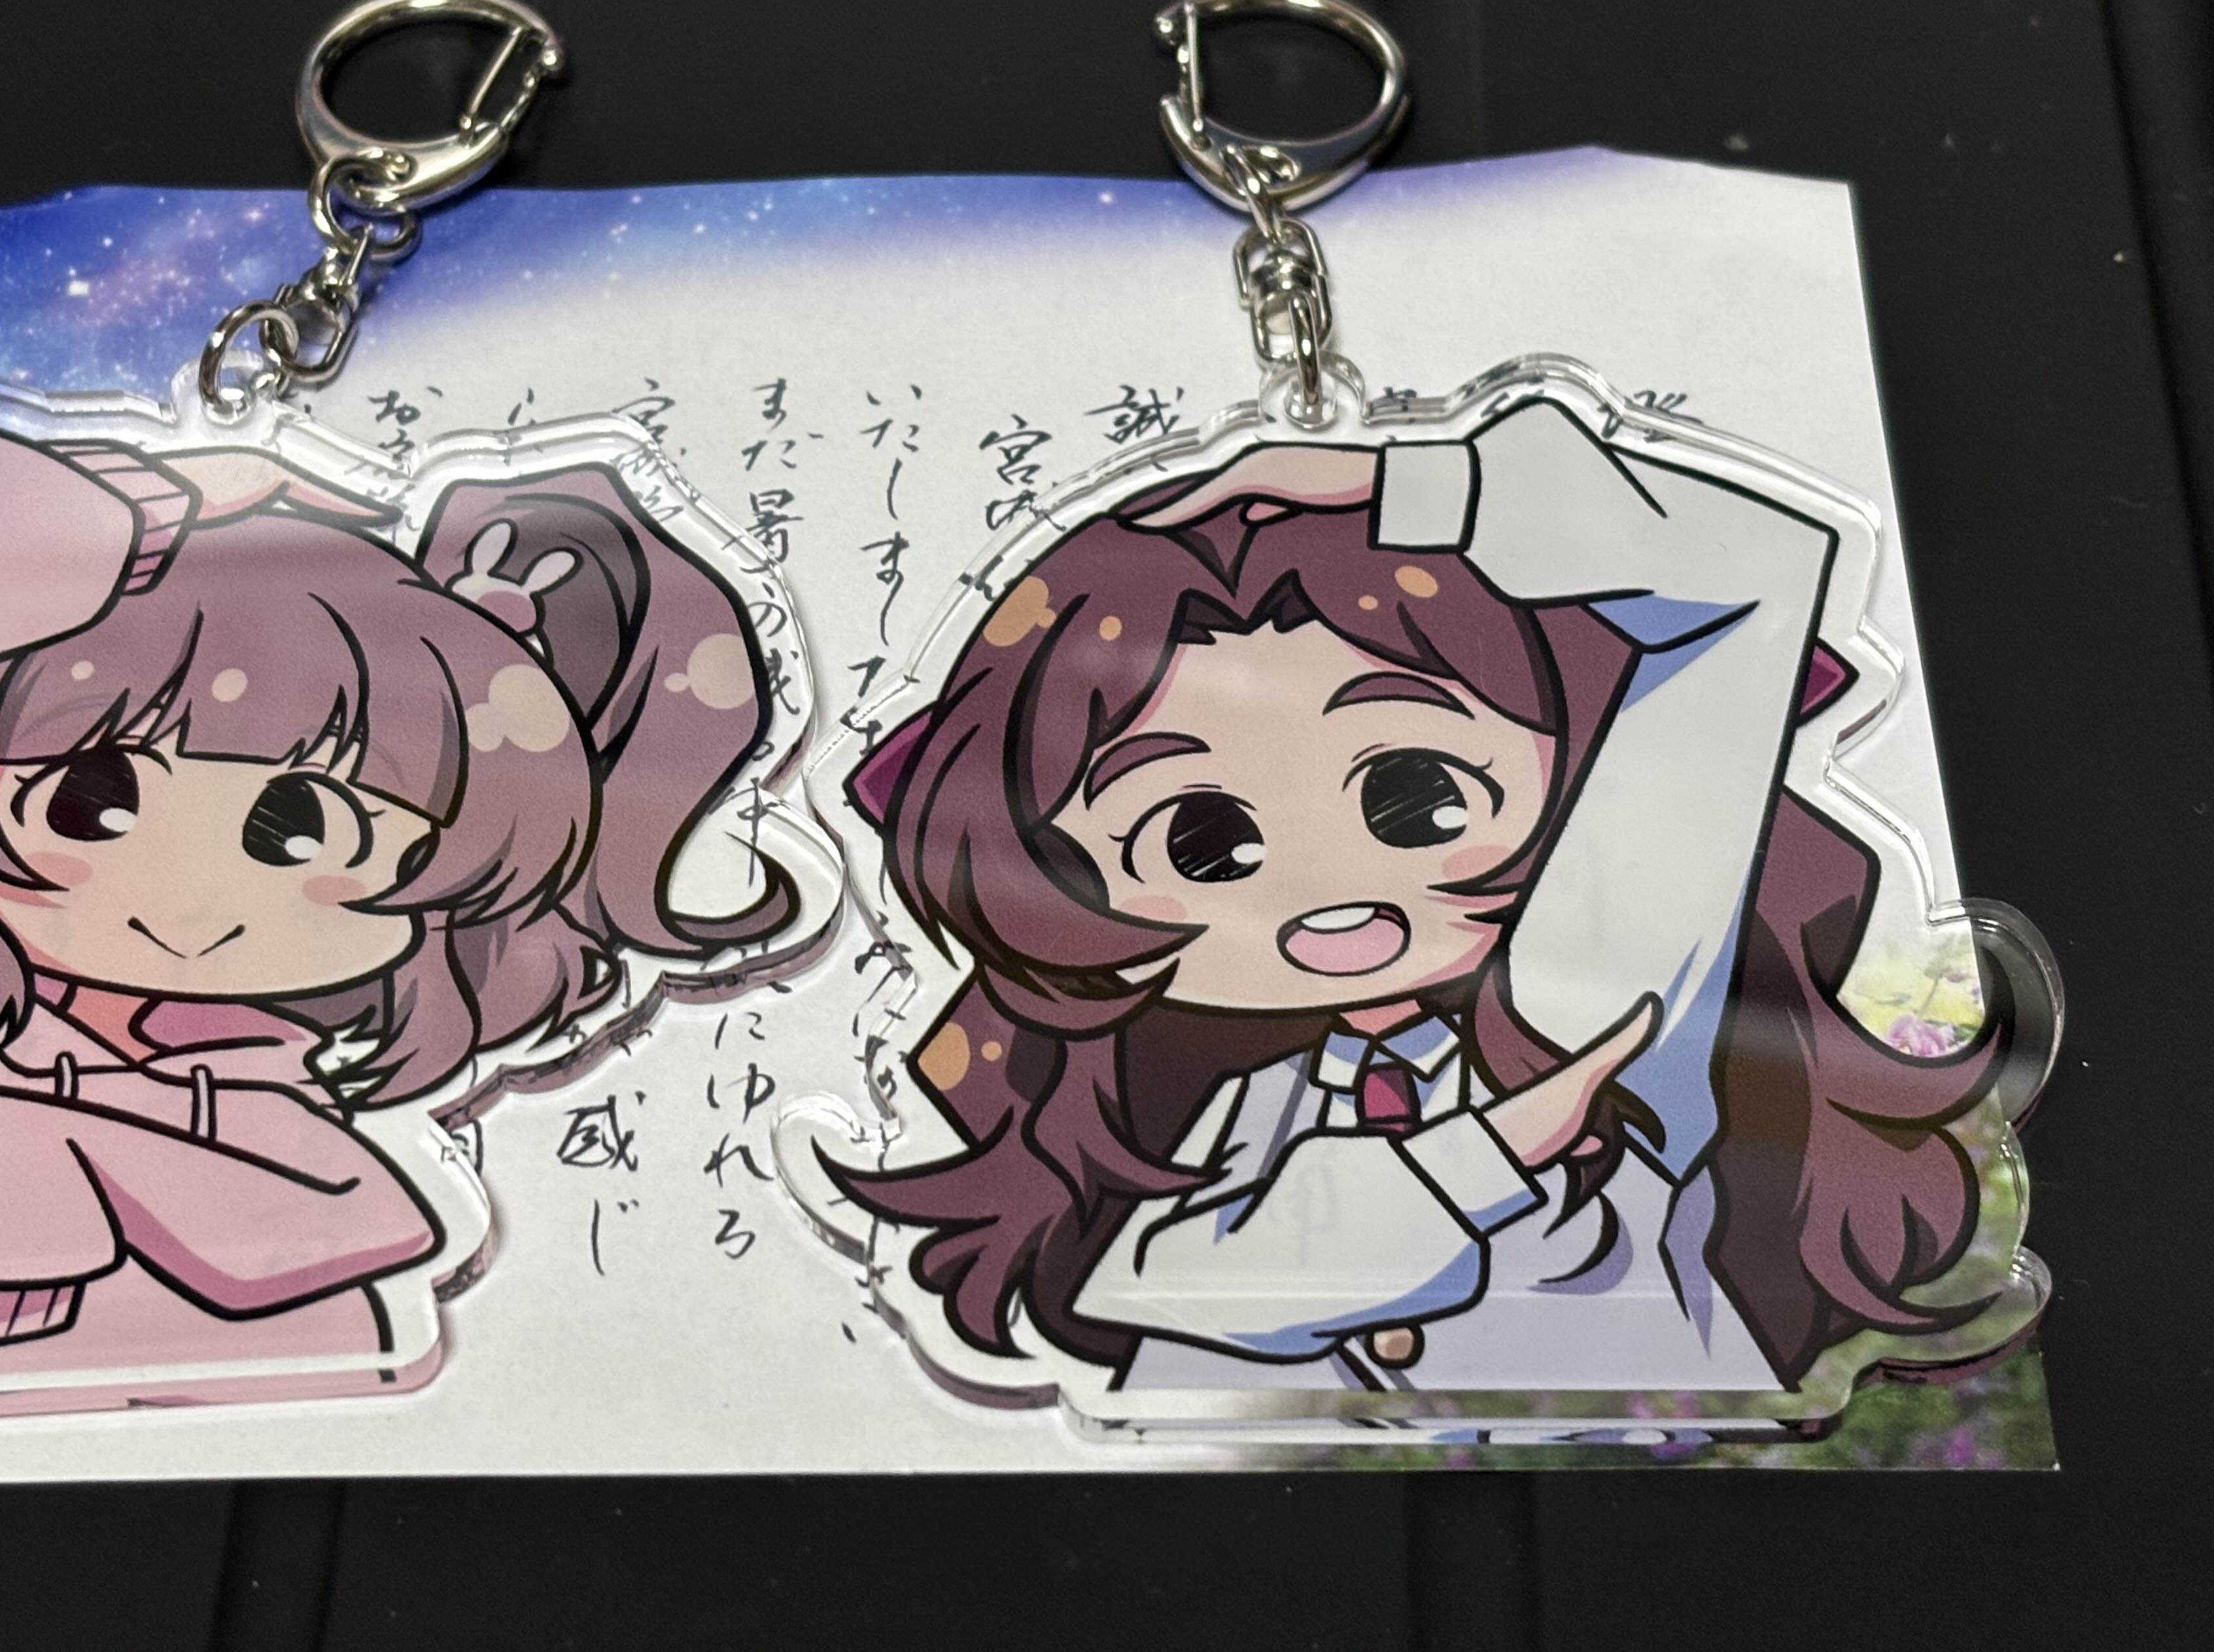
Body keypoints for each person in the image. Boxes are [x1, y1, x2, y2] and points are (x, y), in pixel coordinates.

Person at [835, 396, 2001, 1393]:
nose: (1329, 895)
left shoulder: (1600, 986)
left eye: (1417, 796)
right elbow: (1161, 1285)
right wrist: (1482, 1156)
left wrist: (1424, 489)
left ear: (1582, 768)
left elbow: (1752, 579)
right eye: (1203, 842)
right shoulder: (1232, 1113)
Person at [0, 419, 794, 1405]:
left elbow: (348, 1222)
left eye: (300, 831)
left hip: (338, 1454)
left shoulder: (278, 1094)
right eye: (91, 801)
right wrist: (78, 507)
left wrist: (64, 1153)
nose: (192, 903)